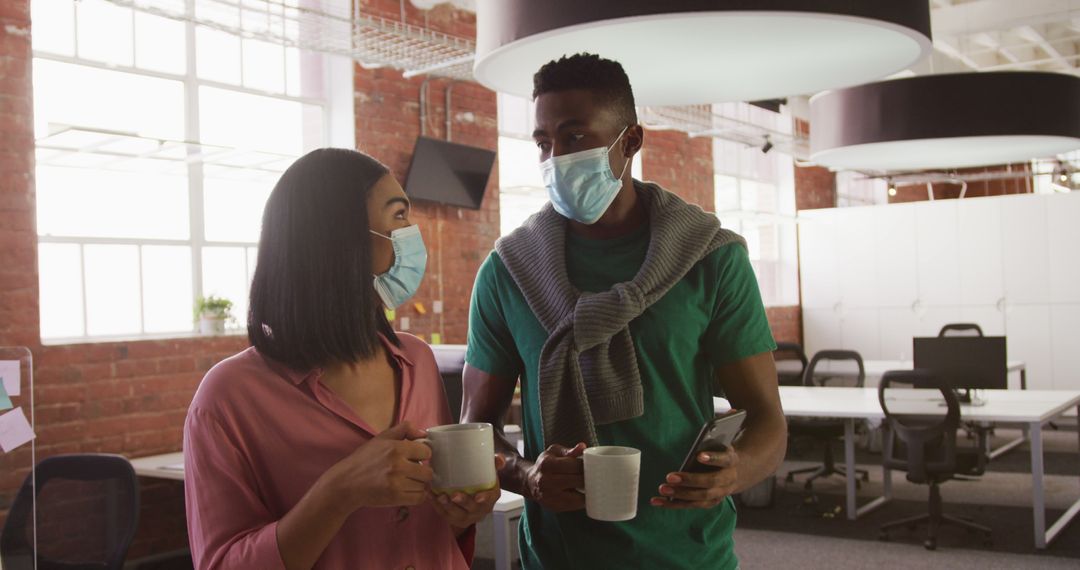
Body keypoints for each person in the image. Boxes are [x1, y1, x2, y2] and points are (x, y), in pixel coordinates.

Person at [461, 54, 787, 569]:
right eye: (543, 143)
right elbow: (474, 427)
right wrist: (525, 475)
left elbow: (767, 420)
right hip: (558, 555)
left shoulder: (710, 258)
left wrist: (736, 471)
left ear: (630, 141)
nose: (555, 158)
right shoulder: (508, 271)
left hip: (689, 554)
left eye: (575, 138)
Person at [184, 148, 500, 570]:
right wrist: (338, 493)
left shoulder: (417, 361)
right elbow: (221, 562)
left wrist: (462, 514)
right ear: (337, 240)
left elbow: (435, 530)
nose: (413, 236)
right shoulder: (228, 398)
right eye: (399, 217)